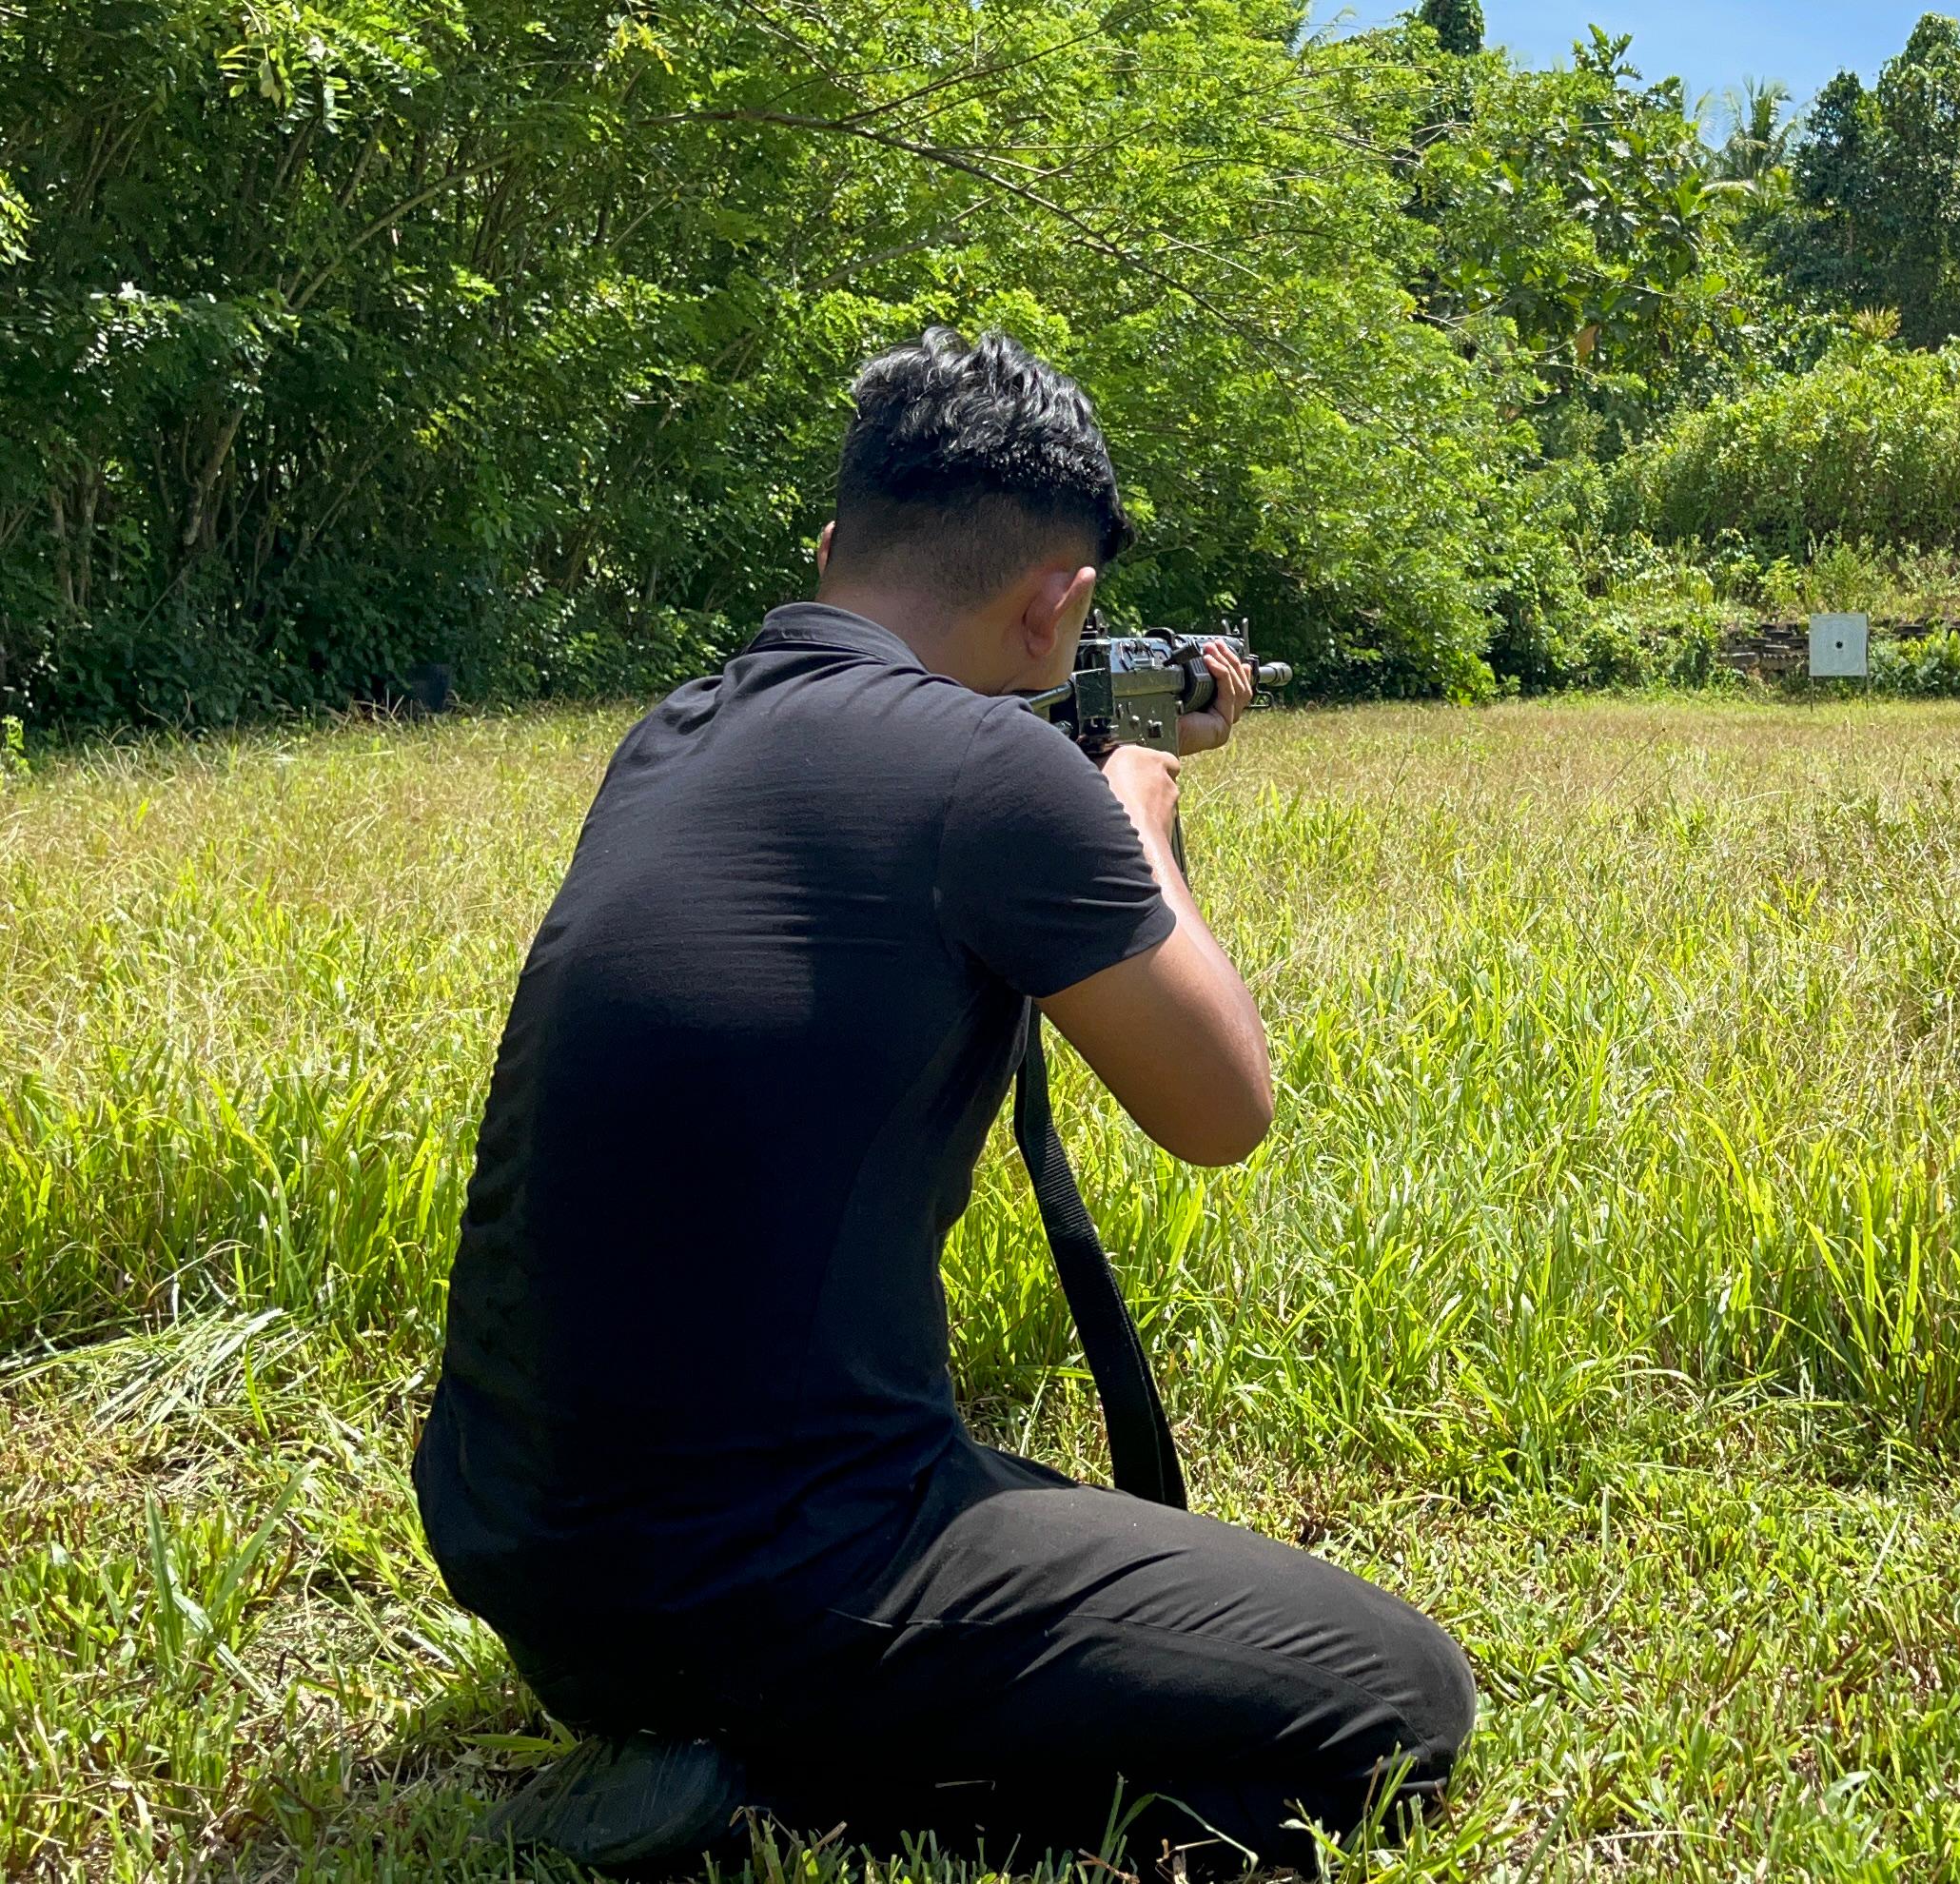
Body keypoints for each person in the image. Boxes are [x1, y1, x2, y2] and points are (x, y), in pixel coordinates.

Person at [412, 328, 1474, 1875]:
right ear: (1059, 604)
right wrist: (1141, 800)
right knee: (1394, 1693)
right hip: (752, 1584)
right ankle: (764, 1788)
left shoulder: (673, 734)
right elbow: (1222, 1108)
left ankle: (725, 1731)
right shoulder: (1005, 777)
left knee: (1030, 1509)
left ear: (835, 544)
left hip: (526, 1557)